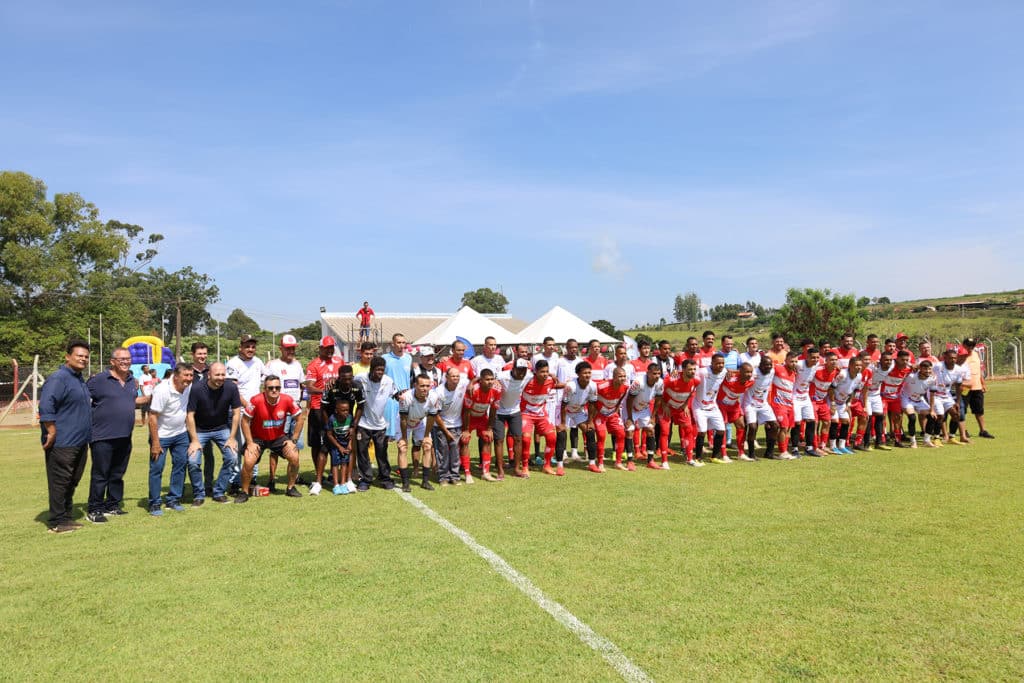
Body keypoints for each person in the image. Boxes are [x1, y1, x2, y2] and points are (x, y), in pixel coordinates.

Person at [86, 347, 149, 523]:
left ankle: (112, 505)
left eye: (128, 359)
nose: (125, 362)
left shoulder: (131, 381)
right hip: (102, 436)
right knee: (100, 474)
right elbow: (81, 397)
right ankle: (95, 509)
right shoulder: (98, 380)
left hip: (124, 435)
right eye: (121, 359)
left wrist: (153, 396)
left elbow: (132, 401)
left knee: (117, 473)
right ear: (112, 361)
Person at [39, 340, 92, 534]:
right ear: (67, 356)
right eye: (79, 355)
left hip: (80, 440)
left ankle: (66, 516)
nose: (83, 359)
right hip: (63, 442)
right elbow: (46, 406)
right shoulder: (58, 378)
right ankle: (57, 520)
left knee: (72, 480)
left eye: (86, 356)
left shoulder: (78, 379)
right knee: (60, 480)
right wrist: (51, 431)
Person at [236, 375, 305, 502]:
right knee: (249, 460)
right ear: (265, 388)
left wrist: (293, 440)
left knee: (294, 457)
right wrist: (250, 443)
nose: (274, 390)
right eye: (271, 388)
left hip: (278, 437)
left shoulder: (287, 400)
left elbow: (300, 418)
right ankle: (244, 492)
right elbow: (245, 421)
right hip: (258, 438)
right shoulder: (255, 400)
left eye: (277, 387)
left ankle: (291, 488)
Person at [186, 362, 243, 503]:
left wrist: (232, 438)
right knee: (193, 461)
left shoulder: (231, 387)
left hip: (222, 428)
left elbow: (236, 413)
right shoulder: (197, 388)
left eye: (223, 374)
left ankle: (218, 492)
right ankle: (199, 494)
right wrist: (194, 440)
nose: (221, 377)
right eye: (217, 374)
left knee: (232, 457)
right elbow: (190, 415)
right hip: (200, 430)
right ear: (209, 375)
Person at [147, 365, 198, 515]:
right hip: (161, 436)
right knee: (157, 469)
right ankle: (154, 503)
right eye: (185, 375)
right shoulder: (162, 390)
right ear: (175, 376)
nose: (189, 379)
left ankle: (173, 499)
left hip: (180, 434)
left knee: (180, 466)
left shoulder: (188, 386)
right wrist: (155, 443)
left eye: (191, 375)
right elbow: (152, 417)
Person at [302, 335, 344, 495]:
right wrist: (327, 390)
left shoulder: (339, 362)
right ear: (320, 348)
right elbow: (310, 388)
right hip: (318, 409)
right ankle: (317, 475)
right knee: (318, 444)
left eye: (331, 347)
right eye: (326, 348)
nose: (329, 350)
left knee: (337, 441)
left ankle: (337, 476)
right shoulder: (314, 365)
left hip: (335, 408)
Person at [265, 334, 307, 492]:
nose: (291, 351)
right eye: (288, 348)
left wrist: (302, 405)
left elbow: (301, 386)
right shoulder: (272, 365)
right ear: (281, 348)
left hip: (295, 410)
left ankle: (294, 478)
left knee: (295, 445)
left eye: (293, 348)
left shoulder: (297, 365)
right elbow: (267, 388)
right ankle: (271, 479)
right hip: (279, 412)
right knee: (276, 447)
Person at [353, 356, 399, 491]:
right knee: (362, 453)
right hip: (363, 423)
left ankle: (385, 478)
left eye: (382, 370)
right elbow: (348, 381)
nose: (380, 372)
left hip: (380, 425)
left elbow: (396, 394)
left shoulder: (388, 381)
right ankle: (365, 480)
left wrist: (404, 397)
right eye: (377, 369)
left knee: (382, 452)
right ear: (372, 369)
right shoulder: (361, 378)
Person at [321, 365, 364, 492]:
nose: (347, 381)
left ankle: (349, 479)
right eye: (344, 379)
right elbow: (323, 409)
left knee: (351, 448)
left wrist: (353, 426)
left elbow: (361, 407)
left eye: (350, 378)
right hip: (332, 421)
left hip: (347, 422)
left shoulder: (357, 386)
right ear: (339, 378)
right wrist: (328, 426)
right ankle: (323, 480)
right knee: (326, 449)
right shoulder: (331, 387)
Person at [397, 374, 440, 491]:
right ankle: (405, 483)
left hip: (420, 421)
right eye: (422, 386)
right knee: (402, 448)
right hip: (405, 422)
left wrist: (426, 436)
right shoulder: (406, 397)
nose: (425, 389)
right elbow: (403, 419)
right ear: (415, 385)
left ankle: (425, 482)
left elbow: (431, 417)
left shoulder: (434, 397)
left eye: (427, 386)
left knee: (427, 446)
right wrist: (404, 438)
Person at [460, 368, 502, 482]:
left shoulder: (497, 389)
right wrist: (466, 430)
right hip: (469, 418)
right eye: (487, 379)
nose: (490, 382)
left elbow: (493, 410)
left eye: (492, 379)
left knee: (488, 437)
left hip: (482, 417)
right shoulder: (473, 389)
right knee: (465, 440)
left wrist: (489, 428)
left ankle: (486, 472)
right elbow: (467, 411)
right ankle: (467, 473)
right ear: (481, 380)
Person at [657, 360, 700, 466]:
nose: (693, 372)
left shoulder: (696, 381)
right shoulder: (671, 379)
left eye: (694, 369)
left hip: (680, 408)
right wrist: (664, 405)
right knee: (665, 432)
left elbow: (690, 393)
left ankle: (690, 459)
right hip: (666, 408)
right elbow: (658, 391)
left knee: (689, 429)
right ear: (683, 369)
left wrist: (685, 404)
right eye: (690, 369)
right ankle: (664, 461)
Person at [520, 360, 559, 475]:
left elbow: (558, 383)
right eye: (542, 372)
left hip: (541, 414)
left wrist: (553, 376)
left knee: (552, 437)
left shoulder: (550, 381)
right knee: (526, 439)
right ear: (535, 372)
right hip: (526, 413)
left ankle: (547, 465)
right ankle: (525, 467)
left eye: (547, 371)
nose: (545, 374)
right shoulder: (527, 381)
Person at [493, 359, 531, 478]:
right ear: (513, 369)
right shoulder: (502, 375)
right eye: (519, 370)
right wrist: (494, 381)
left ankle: (516, 468)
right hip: (499, 411)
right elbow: (486, 376)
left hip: (515, 411)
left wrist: (552, 376)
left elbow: (539, 374)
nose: (521, 373)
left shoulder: (528, 375)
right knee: (499, 440)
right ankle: (500, 470)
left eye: (523, 371)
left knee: (518, 439)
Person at [433, 367, 470, 485]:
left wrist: (473, 383)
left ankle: (454, 476)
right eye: (453, 376)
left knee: (455, 451)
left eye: (457, 376)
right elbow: (436, 414)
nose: (456, 378)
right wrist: (446, 431)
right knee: (442, 451)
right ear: (446, 377)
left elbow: (477, 379)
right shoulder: (438, 392)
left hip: (456, 424)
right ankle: (443, 477)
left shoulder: (463, 383)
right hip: (440, 425)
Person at [589, 366, 629, 472]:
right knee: (601, 436)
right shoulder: (602, 386)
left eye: (624, 376)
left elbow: (620, 399)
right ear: (614, 377)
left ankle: (618, 462)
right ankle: (600, 463)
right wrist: (593, 414)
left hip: (612, 414)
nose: (623, 378)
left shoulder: (625, 387)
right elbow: (591, 398)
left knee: (621, 433)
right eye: (620, 376)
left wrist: (615, 410)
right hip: (600, 414)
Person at [560, 361, 598, 473]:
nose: (587, 375)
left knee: (590, 431)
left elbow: (592, 404)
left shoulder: (593, 385)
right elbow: (563, 405)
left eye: (589, 373)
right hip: (565, 410)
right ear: (578, 374)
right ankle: (560, 462)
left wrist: (590, 421)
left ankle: (592, 463)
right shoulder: (570, 386)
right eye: (584, 373)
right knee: (562, 432)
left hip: (578, 410)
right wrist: (562, 423)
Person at [692, 354, 730, 463]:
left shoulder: (724, 371)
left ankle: (714, 457)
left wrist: (731, 371)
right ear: (712, 363)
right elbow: (688, 373)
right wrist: (676, 373)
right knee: (702, 432)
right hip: (699, 407)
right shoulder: (702, 372)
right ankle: (698, 458)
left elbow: (731, 371)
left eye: (722, 363)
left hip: (713, 406)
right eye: (718, 363)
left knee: (721, 430)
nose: (720, 365)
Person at [189, 342, 216, 495]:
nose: (202, 356)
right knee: (193, 456)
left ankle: (208, 485)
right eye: (199, 354)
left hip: (209, 420)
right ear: (193, 354)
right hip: (191, 419)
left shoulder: (210, 371)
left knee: (209, 456)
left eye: (204, 354)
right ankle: (196, 488)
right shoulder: (187, 371)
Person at [741, 354, 778, 459]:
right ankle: (751, 454)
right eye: (766, 365)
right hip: (750, 403)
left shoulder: (772, 371)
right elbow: (741, 374)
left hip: (763, 403)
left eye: (770, 365)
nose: (769, 367)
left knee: (775, 425)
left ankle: (769, 453)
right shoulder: (753, 373)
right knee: (752, 427)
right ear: (760, 365)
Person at [627, 363, 663, 469]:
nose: (657, 376)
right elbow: (629, 400)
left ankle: (650, 461)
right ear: (648, 373)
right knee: (630, 430)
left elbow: (658, 399)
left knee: (651, 429)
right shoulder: (639, 382)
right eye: (654, 373)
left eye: (659, 374)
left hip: (644, 409)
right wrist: (629, 417)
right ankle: (630, 461)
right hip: (631, 408)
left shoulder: (660, 382)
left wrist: (653, 416)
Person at [959, 338, 993, 438]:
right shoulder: (959, 357)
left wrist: (983, 384)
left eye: (972, 345)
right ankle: (963, 431)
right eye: (968, 345)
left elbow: (978, 371)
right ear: (963, 345)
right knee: (961, 410)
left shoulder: (976, 354)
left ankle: (983, 431)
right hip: (964, 388)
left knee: (979, 410)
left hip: (977, 387)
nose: (970, 347)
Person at [900, 360, 938, 448]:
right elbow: (904, 368)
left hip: (919, 399)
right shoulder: (911, 376)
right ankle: (913, 442)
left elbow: (932, 395)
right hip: (907, 398)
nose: (928, 371)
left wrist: (932, 410)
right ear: (920, 369)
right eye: (925, 369)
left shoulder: (933, 378)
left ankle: (926, 440)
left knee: (932, 417)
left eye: (929, 369)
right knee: (912, 418)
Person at [383, 333, 413, 442]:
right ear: (393, 344)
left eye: (403, 342)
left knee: (403, 436)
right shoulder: (385, 358)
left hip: (405, 399)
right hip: (390, 400)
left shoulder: (408, 358)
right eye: (399, 342)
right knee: (387, 437)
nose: (401, 345)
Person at [324, 398, 354, 495]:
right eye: (343, 410)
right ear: (337, 410)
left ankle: (343, 483)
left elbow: (351, 432)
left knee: (345, 463)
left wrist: (349, 444)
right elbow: (329, 434)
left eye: (347, 410)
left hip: (346, 445)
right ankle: (336, 485)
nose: (346, 412)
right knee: (335, 464)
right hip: (336, 445)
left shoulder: (350, 418)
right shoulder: (332, 419)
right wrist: (339, 447)